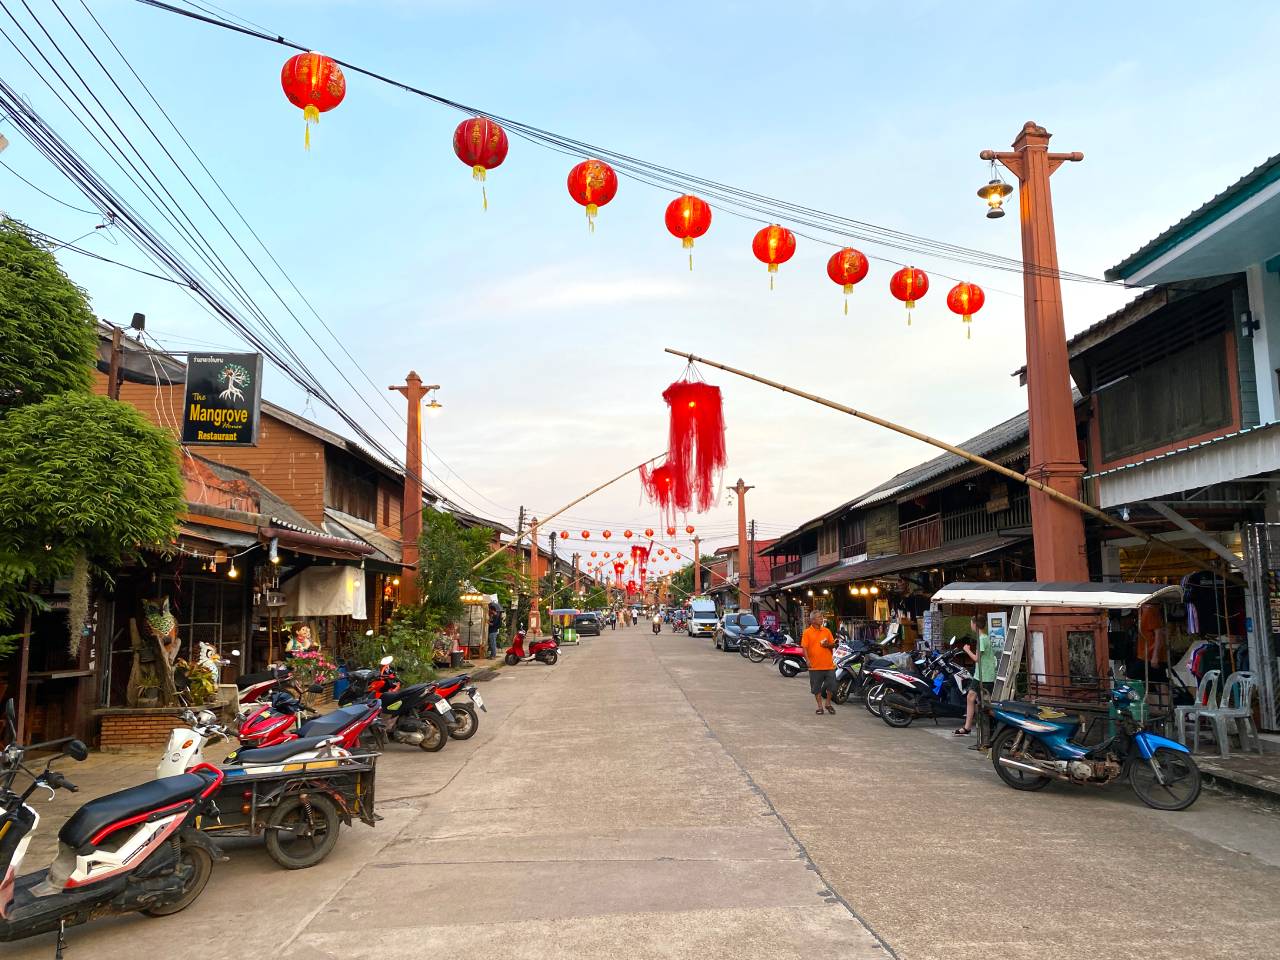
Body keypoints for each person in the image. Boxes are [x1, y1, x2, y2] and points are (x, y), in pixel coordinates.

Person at [956, 615, 995, 736]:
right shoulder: (982, 638)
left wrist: (967, 650)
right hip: (980, 674)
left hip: (985, 675)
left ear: (975, 625)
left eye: (971, 623)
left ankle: (994, 728)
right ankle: (967, 727)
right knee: (971, 697)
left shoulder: (982, 639)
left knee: (987, 704)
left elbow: (976, 659)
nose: (970, 625)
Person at [801, 610, 838, 715]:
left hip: (828, 664)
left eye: (822, 617)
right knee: (816, 688)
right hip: (815, 666)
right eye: (819, 617)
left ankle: (828, 703)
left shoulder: (826, 631)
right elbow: (804, 647)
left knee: (832, 685)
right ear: (812, 620)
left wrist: (828, 645)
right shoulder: (807, 632)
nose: (821, 619)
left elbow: (833, 645)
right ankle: (820, 707)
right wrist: (807, 660)